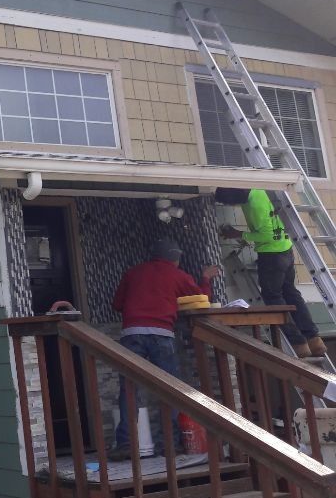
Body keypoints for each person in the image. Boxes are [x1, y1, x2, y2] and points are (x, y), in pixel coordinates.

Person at [109, 238, 220, 459]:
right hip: (162, 335)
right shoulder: (177, 275)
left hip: (132, 334)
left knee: (129, 390)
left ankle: (125, 445)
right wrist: (206, 278)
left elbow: (117, 305)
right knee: (169, 389)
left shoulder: (133, 273)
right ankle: (168, 445)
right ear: (176, 258)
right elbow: (202, 299)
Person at [214, 188, 325, 358]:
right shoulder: (258, 191)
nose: (232, 206)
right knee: (291, 294)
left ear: (234, 196)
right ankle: (313, 339)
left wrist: (238, 233)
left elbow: (266, 236)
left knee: (273, 297)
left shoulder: (254, 204)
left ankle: (298, 343)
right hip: (285, 249)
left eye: (230, 202)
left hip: (271, 255)